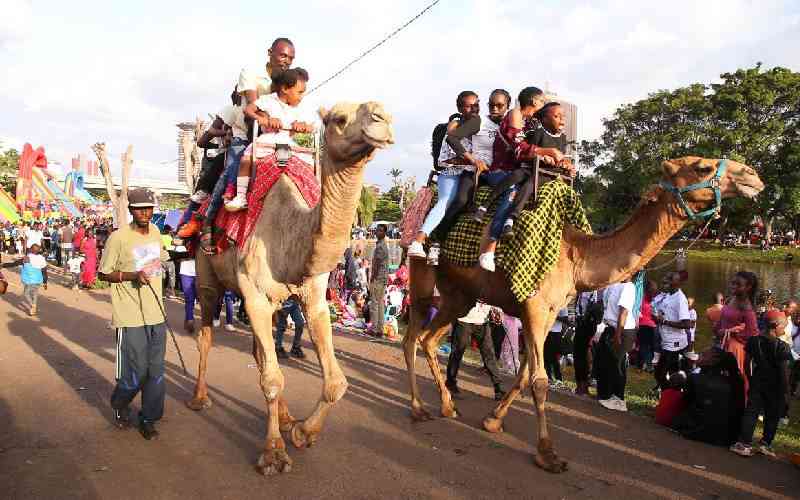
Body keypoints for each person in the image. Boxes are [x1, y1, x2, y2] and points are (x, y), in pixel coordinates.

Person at [201, 38, 296, 246]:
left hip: (275, 138)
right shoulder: (251, 73)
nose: (286, 61)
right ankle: (208, 220)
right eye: (283, 55)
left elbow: (293, 104)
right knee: (232, 169)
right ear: (270, 52)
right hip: (246, 136)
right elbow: (254, 105)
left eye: (290, 58)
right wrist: (268, 119)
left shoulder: (288, 79)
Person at [98, 188, 169, 441]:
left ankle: (148, 418)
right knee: (136, 373)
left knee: (156, 371)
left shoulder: (157, 232)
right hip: (130, 316)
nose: (145, 212)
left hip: (156, 314)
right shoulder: (118, 238)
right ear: (131, 210)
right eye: (139, 208)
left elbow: (160, 259)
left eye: (149, 208)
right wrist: (131, 276)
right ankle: (119, 403)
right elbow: (103, 273)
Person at [408, 89, 512, 261]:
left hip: (494, 171)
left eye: (500, 106)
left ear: (508, 107)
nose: (494, 109)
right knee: (459, 200)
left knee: (512, 188)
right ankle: (436, 241)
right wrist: (474, 160)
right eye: (491, 105)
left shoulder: (508, 126)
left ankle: (495, 242)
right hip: (472, 170)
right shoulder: (479, 121)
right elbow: (452, 139)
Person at [224, 67, 316, 212]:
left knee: (310, 164)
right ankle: (241, 197)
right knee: (246, 159)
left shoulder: (300, 108)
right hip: (268, 141)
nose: (301, 96)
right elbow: (248, 110)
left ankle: (312, 195)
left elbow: (312, 126)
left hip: (288, 143)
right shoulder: (268, 100)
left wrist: (303, 126)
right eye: (299, 92)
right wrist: (263, 119)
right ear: (285, 88)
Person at [731, 310, 793, 457]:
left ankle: (744, 444)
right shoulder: (782, 346)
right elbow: (784, 372)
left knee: (752, 411)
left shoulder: (754, 340)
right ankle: (766, 444)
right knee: (773, 414)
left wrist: (750, 379)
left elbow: (747, 363)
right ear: (775, 325)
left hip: (758, 381)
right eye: (783, 327)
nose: (784, 330)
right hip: (776, 385)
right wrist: (786, 391)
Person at [445, 302, 506, 400]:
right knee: (457, 353)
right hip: (464, 320)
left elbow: (493, 297)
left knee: (489, 355)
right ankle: (450, 384)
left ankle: (498, 388)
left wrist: (497, 311)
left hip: (483, 322)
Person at [715, 271, 759, 397]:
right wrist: (719, 330)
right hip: (723, 344)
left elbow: (753, 336)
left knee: (734, 380)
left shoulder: (747, 309)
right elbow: (723, 320)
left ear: (748, 287)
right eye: (733, 283)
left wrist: (733, 333)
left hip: (735, 350)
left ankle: (738, 406)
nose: (733, 286)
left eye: (738, 284)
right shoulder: (731, 299)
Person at [597, 280, 637, 412]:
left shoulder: (629, 287)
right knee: (605, 363)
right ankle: (606, 395)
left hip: (622, 330)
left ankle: (618, 399)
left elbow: (623, 311)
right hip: (610, 327)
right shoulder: (614, 284)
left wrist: (618, 335)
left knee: (618, 364)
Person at [654, 271, 693, 389]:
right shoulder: (668, 295)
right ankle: (674, 395)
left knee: (660, 373)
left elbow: (687, 324)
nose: (665, 281)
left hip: (674, 343)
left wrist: (664, 322)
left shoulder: (680, 299)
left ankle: (668, 394)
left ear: (678, 283)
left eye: (670, 279)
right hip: (666, 340)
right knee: (673, 372)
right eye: (666, 277)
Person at [3, 243, 48, 316]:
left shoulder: (27, 258)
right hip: (38, 280)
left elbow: (15, 264)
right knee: (35, 293)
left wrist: (3, 265)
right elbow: (44, 272)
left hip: (29, 280)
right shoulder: (42, 259)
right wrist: (45, 282)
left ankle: (32, 305)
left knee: (26, 293)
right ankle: (33, 308)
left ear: (31, 250)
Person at [574, 290, 602, 395]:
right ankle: (580, 385)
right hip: (581, 323)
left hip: (588, 324)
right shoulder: (582, 291)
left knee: (582, 356)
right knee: (578, 355)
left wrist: (586, 319)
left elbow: (594, 311)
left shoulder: (593, 292)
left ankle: (583, 386)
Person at [368, 224, 389, 336]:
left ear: (384, 233)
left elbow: (377, 264)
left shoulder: (381, 246)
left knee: (375, 304)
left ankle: (375, 329)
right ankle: (380, 329)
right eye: (377, 230)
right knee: (380, 304)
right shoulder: (382, 245)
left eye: (380, 231)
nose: (377, 232)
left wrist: (372, 278)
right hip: (382, 279)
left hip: (378, 278)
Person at [544, 308, 570, 386]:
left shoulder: (563, 304)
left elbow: (565, 319)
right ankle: (548, 377)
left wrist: (553, 315)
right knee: (545, 357)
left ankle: (558, 379)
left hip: (555, 333)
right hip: (546, 331)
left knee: (554, 358)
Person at [637, 280, 658, 371]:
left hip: (653, 326)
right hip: (643, 325)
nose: (653, 292)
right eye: (652, 290)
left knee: (652, 346)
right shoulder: (640, 298)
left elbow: (658, 313)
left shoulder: (656, 299)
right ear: (647, 290)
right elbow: (636, 310)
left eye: (655, 290)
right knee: (643, 345)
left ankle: (648, 364)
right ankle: (644, 364)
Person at [179, 256, 198, 332]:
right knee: (189, 298)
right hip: (185, 272)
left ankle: (188, 319)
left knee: (198, 298)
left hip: (200, 272)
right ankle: (190, 320)